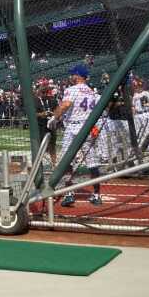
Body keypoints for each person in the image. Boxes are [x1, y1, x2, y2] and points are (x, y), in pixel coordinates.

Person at [49, 65, 103, 206]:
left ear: (78, 75)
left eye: (73, 74)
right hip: (86, 127)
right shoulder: (92, 91)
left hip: (73, 126)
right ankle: (97, 194)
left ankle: (69, 193)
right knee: (92, 162)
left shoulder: (72, 89)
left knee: (67, 160)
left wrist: (54, 117)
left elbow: (65, 105)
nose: (71, 76)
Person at [35, 83, 58, 166]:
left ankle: (54, 164)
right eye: (43, 93)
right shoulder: (35, 101)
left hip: (51, 126)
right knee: (40, 147)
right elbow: (32, 114)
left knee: (52, 146)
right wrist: (42, 114)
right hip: (40, 126)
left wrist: (53, 114)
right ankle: (38, 165)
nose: (45, 95)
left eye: (46, 92)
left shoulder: (52, 100)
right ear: (39, 92)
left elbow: (58, 112)